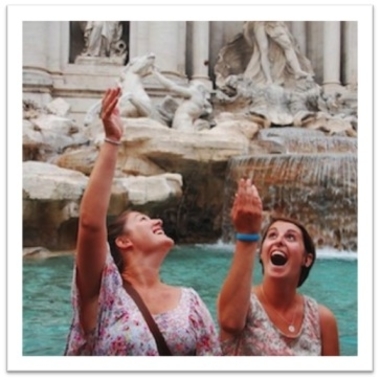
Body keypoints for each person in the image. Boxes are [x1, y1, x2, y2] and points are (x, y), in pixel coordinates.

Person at [65, 87, 221, 356]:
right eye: (143, 218)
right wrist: (112, 140)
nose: (157, 220)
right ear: (123, 241)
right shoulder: (105, 292)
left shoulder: (191, 301)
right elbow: (91, 223)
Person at [217, 178, 340, 356]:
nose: (279, 240)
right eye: (272, 235)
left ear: (307, 259)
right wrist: (248, 235)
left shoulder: (322, 320)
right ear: (261, 253)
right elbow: (230, 322)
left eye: (290, 237)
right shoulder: (243, 304)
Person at [243, 21, 311, 85]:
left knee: (287, 45)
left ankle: (297, 70)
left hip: (273, 22)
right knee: (263, 50)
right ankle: (268, 78)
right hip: (259, 23)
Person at [151, 66, 212, 131]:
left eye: (191, 85)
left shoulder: (193, 93)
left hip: (182, 122)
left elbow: (172, 87)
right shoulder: (200, 103)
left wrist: (157, 75)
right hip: (186, 123)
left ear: (198, 88)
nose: (189, 87)